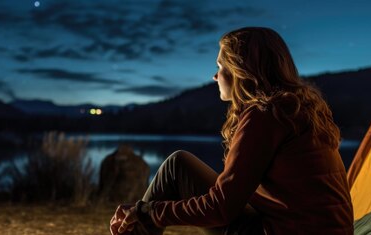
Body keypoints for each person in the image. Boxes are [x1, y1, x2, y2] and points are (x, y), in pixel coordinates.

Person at [109, 27, 354, 235]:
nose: (215, 76)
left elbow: (220, 209)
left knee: (176, 167)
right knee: (180, 165)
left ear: (241, 70)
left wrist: (148, 212)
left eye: (220, 66)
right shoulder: (296, 109)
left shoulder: (266, 115)